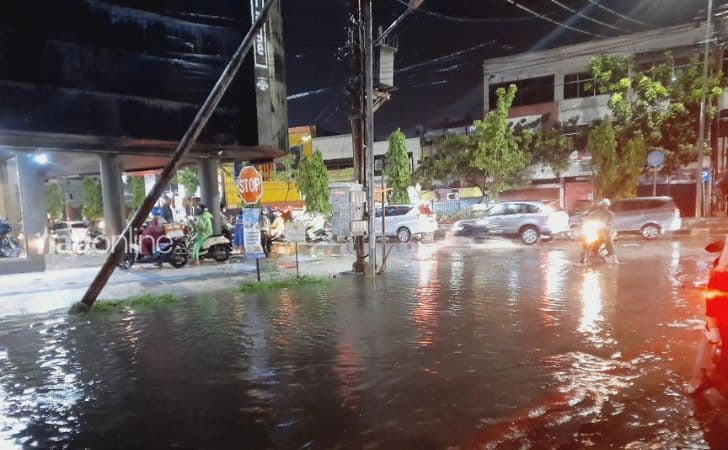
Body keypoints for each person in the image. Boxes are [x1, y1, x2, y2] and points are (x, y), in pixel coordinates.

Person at [688, 236, 728, 394]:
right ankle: (702, 378)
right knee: (712, 354)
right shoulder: (721, 269)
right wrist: (712, 326)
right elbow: (713, 299)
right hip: (721, 321)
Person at [586, 198, 617, 263]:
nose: (605, 207)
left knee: (607, 239)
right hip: (597, 230)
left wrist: (607, 226)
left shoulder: (610, 214)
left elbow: (610, 222)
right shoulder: (594, 213)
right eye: (604, 206)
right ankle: (593, 252)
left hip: (607, 230)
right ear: (600, 206)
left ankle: (612, 254)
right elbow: (588, 219)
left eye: (606, 206)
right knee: (590, 239)